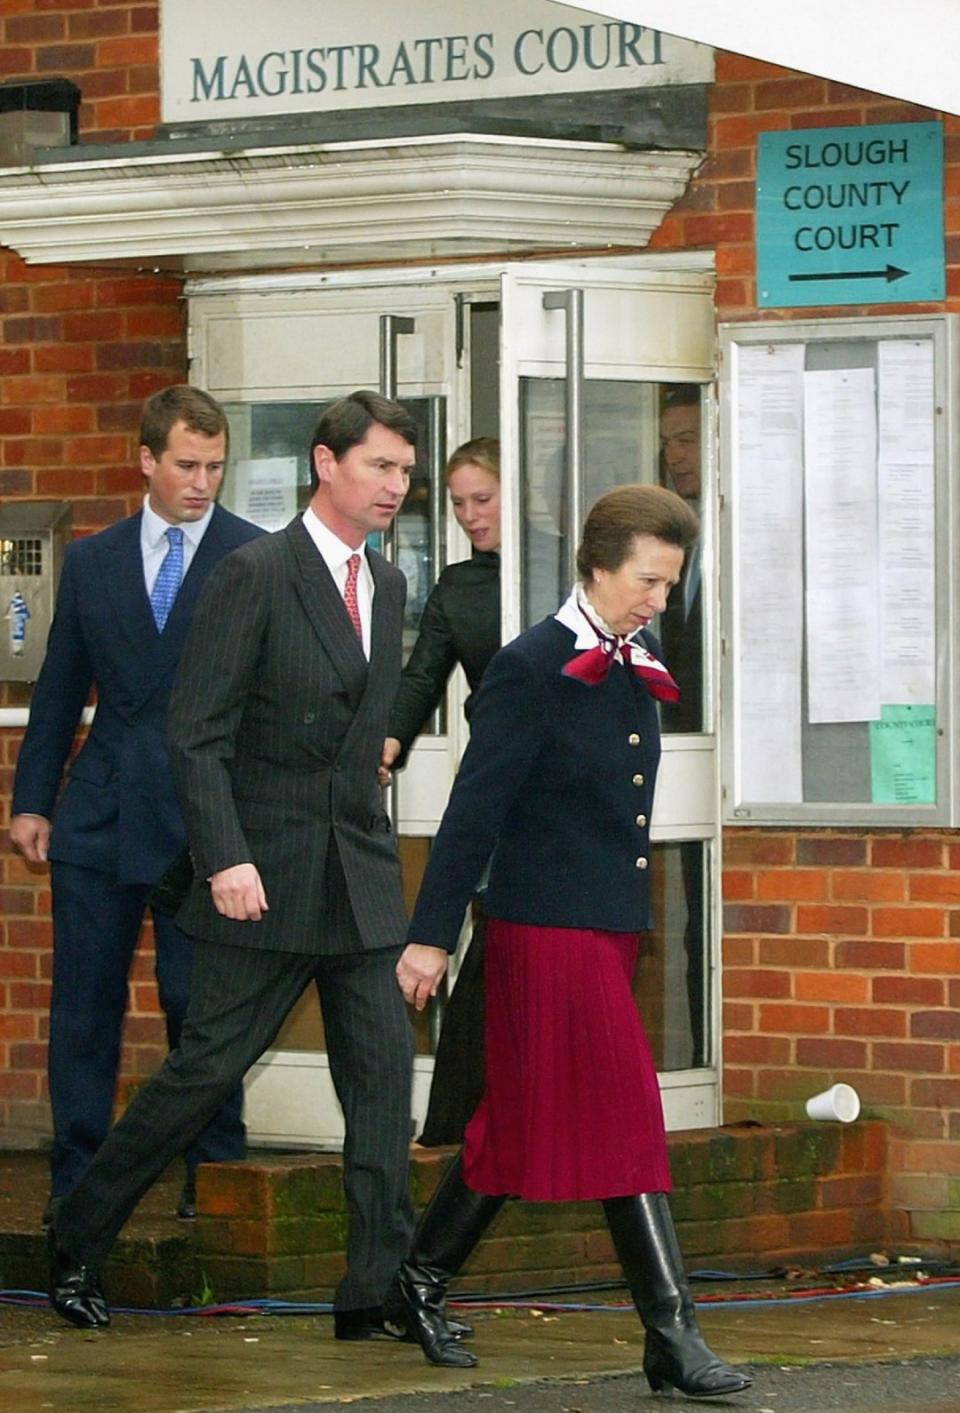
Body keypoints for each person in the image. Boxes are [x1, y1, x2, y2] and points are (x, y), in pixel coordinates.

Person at [45, 390, 441, 1342]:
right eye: (380, 466)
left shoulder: (384, 587)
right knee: (201, 1073)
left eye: (403, 469)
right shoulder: (255, 573)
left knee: (385, 1088)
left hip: (359, 879)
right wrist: (224, 855)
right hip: (260, 878)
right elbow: (198, 732)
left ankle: (373, 1292)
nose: (397, 485)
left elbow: (360, 745)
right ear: (325, 464)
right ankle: (77, 1236)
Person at [388, 484, 751, 1399]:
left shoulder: (636, 655)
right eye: (648, 581)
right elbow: (473, 811)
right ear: (597, 565)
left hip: (607, 927)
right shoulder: (529, 665)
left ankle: (415, 1280)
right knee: (628, 1116)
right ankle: (671, 1332)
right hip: (544, 930)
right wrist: (429, 938)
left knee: (515, 1122)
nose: (659, 600)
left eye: (670, 584)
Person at [10, 385, 262, 1228]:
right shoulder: (93, 559)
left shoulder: (251, 554)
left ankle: (216, 1175)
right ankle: (76, 1179)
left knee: (200, 1006)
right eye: (187, 465)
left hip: (204, 821)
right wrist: (33, 800)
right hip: (102, 812)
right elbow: (58, 688)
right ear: (147, 460)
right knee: (84, 1004)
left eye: (216, 467)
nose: (202, 482)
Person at [380, 437, 502, 1147]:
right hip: (491, 779)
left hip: (554, 790)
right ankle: (455, 1126)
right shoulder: (458, 586)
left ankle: (472, 1124)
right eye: (457, 503)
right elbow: (422, 676)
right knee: (482, 936)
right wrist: (388, 741)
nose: (467, 515)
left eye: (481, 499)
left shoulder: (564, 569)